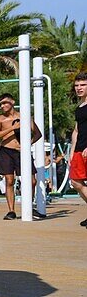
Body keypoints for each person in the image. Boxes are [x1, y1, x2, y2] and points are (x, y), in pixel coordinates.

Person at [0, 92, 42, 220]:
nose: (3, 106)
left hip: (21, 151)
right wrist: (12, 129)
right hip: (6, 150)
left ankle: (29, 207)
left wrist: (27, 144)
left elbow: (37, 134)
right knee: (9, 180)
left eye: (5, 102)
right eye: (1, 104)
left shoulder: (24, 116)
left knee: (32, 181)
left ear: (12, 102)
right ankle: (11, 211)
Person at [69, 72, 87, 227]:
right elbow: (76, 130)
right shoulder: (79, 107)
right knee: (75, 182)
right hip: (79, 150)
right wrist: (72, 150)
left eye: (83, 85)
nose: (79, 88)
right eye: (77, 85)